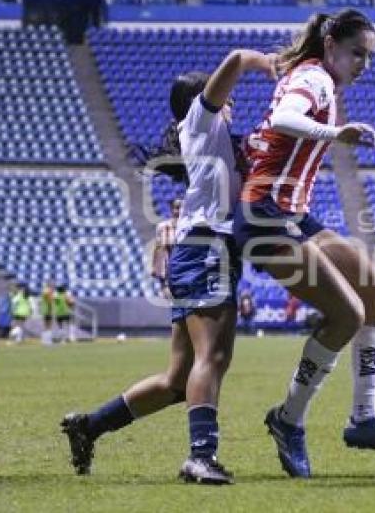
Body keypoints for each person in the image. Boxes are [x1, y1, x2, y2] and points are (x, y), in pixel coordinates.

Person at [61, 47, 277, 485]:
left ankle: (91, 426)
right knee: (212, 357)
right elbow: (234, 60)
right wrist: (266, 63)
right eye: (228, 99)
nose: (232, 105)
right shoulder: (200, 120)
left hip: (202, 252)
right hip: (205, 251)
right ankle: (201, 456)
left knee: (178, 381)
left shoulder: (215, 140)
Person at [232, 9, 375, 478]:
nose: (363, 63)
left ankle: (363, 419)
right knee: (348, 314)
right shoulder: (315, 79)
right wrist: (336, 133)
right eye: (356, 53)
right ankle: (288, 421)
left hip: (293, 214)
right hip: (264, 217)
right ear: (331, 46)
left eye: (369, 56)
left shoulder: (319, 79)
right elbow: (285, 118)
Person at [152, 198, 182, 298]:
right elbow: (158, 247)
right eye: (176, 208)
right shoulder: (162, 226)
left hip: (182, 266)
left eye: (181, 208)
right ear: (171, 209)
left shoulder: (188, 227)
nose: (179, 211)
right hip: (167, 266)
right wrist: (155, 268)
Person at [40, 281, 55, 345]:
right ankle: (48, 340)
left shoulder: (45, 291)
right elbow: (49, 300)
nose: (53, 286)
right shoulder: (48, 291)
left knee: (46, 325)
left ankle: (44, 340)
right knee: (48, 325)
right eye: (52, 285)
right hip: (48, 309)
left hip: (45, 309)